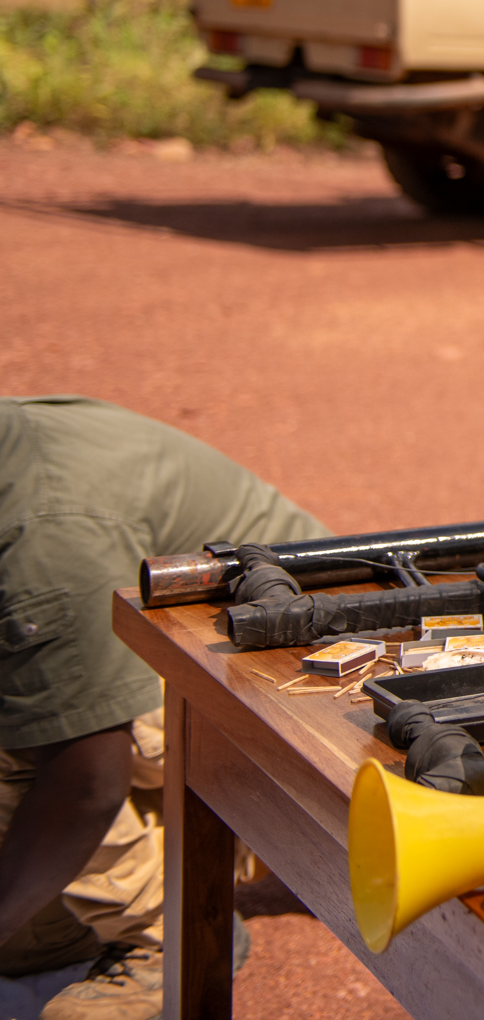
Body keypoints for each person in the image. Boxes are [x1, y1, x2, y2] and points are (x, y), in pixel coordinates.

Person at [0, 396, 327, 1019]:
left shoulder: (39, 537)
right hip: (220, 680)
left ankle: (163, 931)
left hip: (296, 712)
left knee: (34, 718)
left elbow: (86, 780)